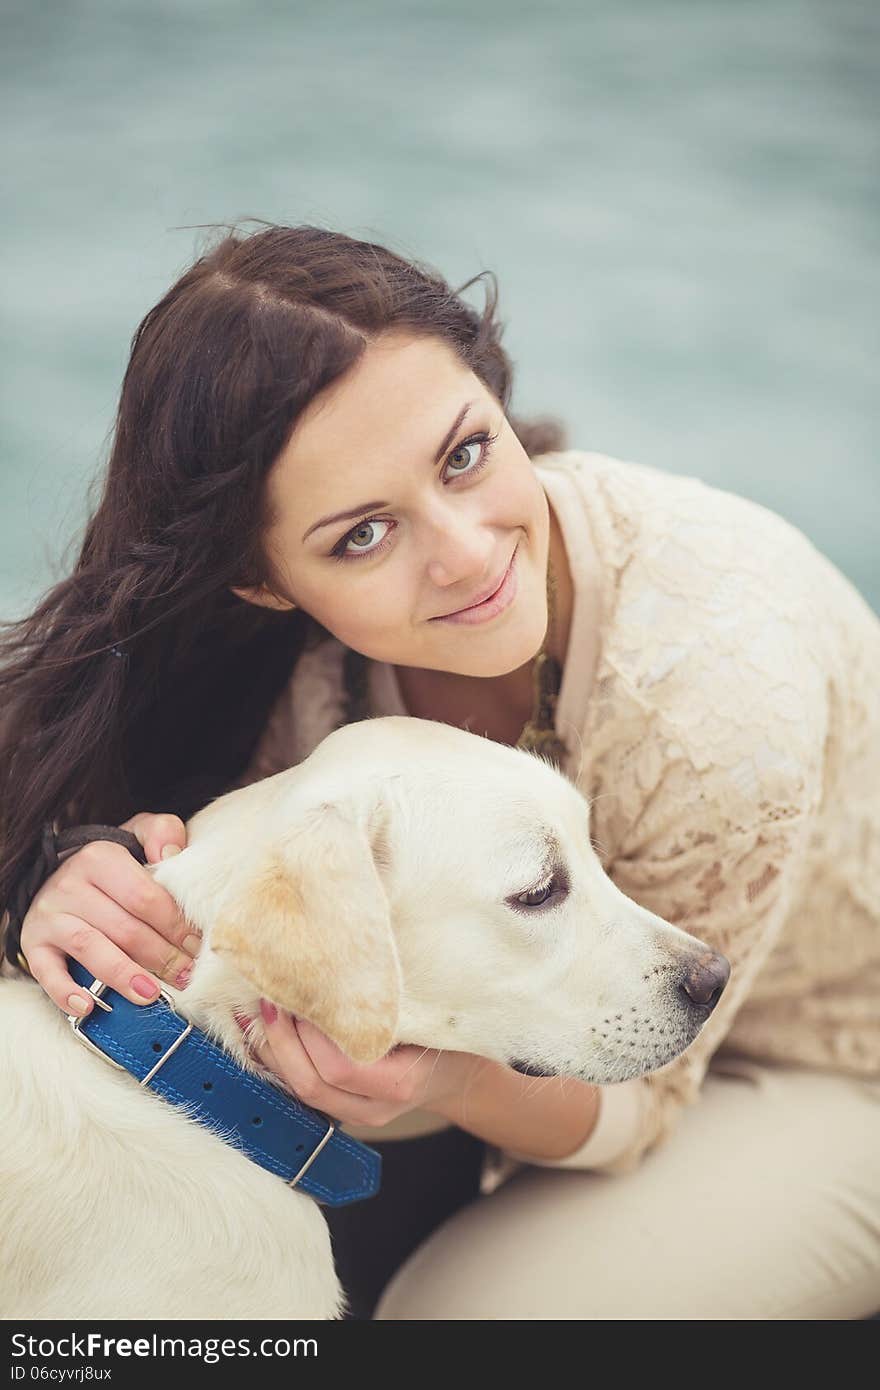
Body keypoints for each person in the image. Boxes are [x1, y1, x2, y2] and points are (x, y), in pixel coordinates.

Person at [1, 223, 878, 1322]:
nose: (465, 551)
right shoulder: (267, 654)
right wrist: (69, 874)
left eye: (465, 452)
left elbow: (651, 1086)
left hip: (810, 1067)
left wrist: (453, 1082)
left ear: (495, 392)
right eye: (362, 533)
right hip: (522, 1010)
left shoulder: (716, 682)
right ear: (261, 582)